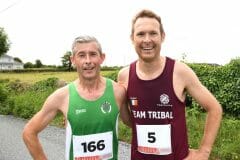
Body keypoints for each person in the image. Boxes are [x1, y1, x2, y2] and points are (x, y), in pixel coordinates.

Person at [117, 9, 222, 160]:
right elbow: (132, 122)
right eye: (140, 34)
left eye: (153, 33)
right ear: (132, 38)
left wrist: (204, 152)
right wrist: (121, 105)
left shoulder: (180, 72)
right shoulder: (124, 75)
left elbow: (214, 108)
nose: (147, 40)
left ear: (162, 37)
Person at [22, 35, 131, 160]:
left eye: (93, 54)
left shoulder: (118, 91)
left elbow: (133, 123)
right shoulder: (62, 96)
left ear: (102, 58)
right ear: (73, 60)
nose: (88, 60)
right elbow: (29, 132)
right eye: (81, 55)